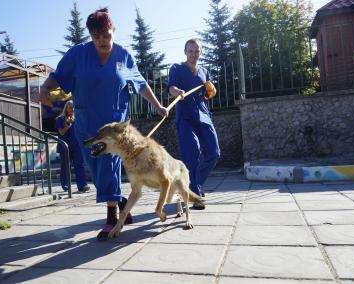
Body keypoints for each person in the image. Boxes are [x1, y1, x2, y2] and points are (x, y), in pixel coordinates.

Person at [39, 7, 168, 241]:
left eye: (106, 35)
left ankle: (111, 219)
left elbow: (140, 84)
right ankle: (118, 199)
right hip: (86, 124)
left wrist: (158, 105)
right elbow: (58, 76)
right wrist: (44, 88)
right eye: (96, 36)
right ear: (91, 36)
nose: (102, 41)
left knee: (108, 165)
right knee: (97, 170)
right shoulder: (77, 55)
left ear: (114, 31)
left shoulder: (124, 55)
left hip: (115, 127)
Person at [168, 38, 221, 210]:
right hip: (186, 118)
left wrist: (212, 90)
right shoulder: (176, 68)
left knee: (214, 153)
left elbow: (208, 92)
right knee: (192, 154)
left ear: (201, 52)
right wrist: (177, 91)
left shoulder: (205, 71)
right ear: (185, 52)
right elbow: (171, 88)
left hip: (204, 117)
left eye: (197, 50)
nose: (193, 54)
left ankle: (194, 185)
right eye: (190, 51)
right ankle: (195, 193)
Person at [55, 100, 90, 193]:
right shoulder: (60, 119)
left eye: (73, 107)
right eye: (70, 107)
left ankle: (82, 185)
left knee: (79, 165)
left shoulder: (78, 118)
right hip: (65, 146)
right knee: (66, 166)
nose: (72, 109)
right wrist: (68, 125)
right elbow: (61, 132)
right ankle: (65, 185)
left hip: (77, 146)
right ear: (66, 108)